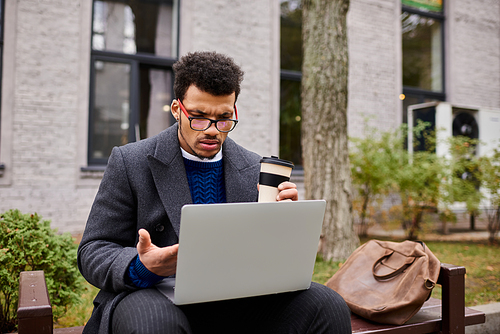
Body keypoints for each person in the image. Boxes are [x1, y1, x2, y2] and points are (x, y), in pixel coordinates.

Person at [77, 51, 351, 334]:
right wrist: (142, 266)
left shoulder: (255, 167)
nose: (212, 131)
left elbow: (267, 258)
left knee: (327, 305)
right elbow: (92, 251)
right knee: (156, 323)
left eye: (224, 119)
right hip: (154, 293)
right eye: (198, 117)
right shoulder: (131, 161)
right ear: (176, 109)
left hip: (235, 300)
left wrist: (284, 226)